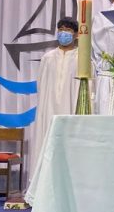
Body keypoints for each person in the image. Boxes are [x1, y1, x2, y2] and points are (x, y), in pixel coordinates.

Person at [29, 17, 80, 179]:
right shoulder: (48, 58)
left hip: (71, 109)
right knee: (46, 143)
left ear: (77, 34)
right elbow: (41, 86)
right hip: (48, 109)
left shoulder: (82, 59)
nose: (64, 33)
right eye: (61, 30)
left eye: (68, 30)